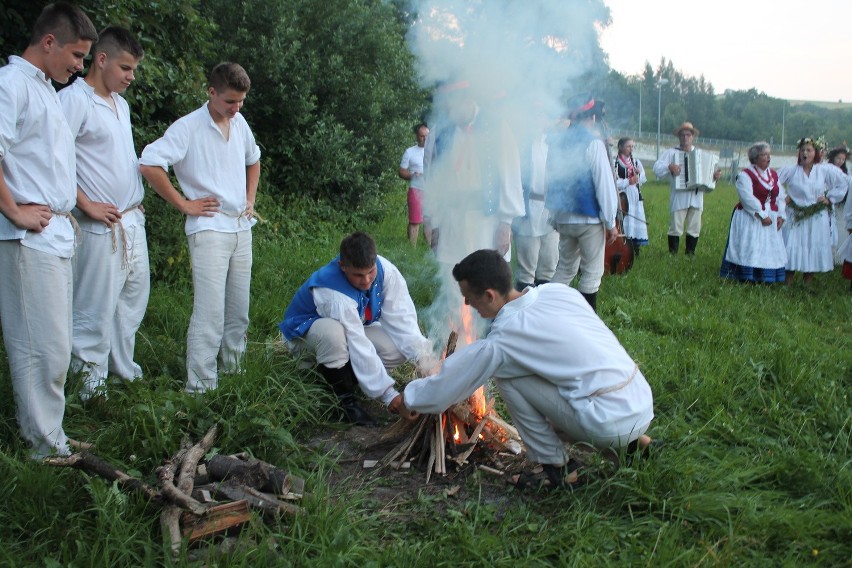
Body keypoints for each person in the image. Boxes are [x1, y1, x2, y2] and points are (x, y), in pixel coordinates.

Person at [391, 249, 655, 490]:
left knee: (506, 373)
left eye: (469, 298)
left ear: (489, 295)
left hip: (606, 421)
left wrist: (410, 397)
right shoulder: (559, 292)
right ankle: (638, 445)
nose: (468, 306)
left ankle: (559, 469)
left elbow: (448, 385)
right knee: (531, 375)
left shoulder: (505, 339)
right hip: (639, 401)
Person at [0, 2, 98, 458]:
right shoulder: (11, 84)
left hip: (57, 233)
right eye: (77, 56)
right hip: (27, 236)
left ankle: (48, 432)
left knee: (56, 346)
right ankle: (43, 447)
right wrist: (13, 211)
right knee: (41, 348)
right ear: (48, 42)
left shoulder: (45, 89)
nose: (81, 67)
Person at [139, 62, 261, 393]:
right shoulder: (188, 127)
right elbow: (150, 163)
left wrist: (250, 199)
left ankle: (233, 375)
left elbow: (254, 159)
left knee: (239, 312)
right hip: (208, 229)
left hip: (240, 227)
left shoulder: (239, 123)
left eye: (241, 102)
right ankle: (200, 387)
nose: (236, 109)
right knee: (210, 313)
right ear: (211, 92)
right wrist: (184, 204)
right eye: (230, 102)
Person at [58, 26, 148, 399]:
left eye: (133, 70)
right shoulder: (74, 100)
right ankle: (89, 388)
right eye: (125, 68)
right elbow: (56, 161)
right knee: (93, 308)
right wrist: (85, 203)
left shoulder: (120, 104)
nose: (130, 77)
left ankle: (122, 370)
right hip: (98, 224)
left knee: (130, 302)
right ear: (102, 59)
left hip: (130, 219)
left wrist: (133, 198)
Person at [279, 232, 435, 426]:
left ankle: (345, 379)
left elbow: (402, 319)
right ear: (342, 266)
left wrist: (426, 361)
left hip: (348, 330)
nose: (367, 280)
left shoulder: (385, 270)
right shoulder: (334, 294)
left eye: (370, 272)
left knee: (394, 348)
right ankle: (345, 403)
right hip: (303, 337)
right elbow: (357, 342)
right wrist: (389, 396)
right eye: (358, 275)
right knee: (332, 333)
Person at [544, 95, 618, 312]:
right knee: (592, 273)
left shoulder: (556, 143)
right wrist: (611, 221)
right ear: (592, 117)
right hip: (588, 219)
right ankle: (587, 323)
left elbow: (551, 179)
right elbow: (604, 185)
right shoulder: (593, 144)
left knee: (565, 269)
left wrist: (554, 214)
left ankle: (549, 312)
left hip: (564, 216)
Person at [777, 137, 848, 285]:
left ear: (815, 153)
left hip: (816, 216)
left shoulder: (823, 170)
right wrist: (785, 197)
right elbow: (773, 181)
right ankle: (788, 281)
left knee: (813, 244)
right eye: (802, 150)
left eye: (808, 150)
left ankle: (807, 283)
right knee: (792, 244)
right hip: (795, 215)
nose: (805, 153)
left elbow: (843, 182)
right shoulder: (791, 170)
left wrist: (829, 198)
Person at [719, 142, 787, 284]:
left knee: (767, 246)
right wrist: (761, 214)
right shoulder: (745, 175)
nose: (768, 158)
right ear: (755, 158)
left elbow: (780, 195)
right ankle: (747, 276)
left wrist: (781, 215)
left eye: (769, 155)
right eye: (764, 155)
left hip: (771, 215)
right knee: (751, 245)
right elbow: (746, 197)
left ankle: (766, 277)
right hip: (750, 216)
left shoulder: (773, 174)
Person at [653, 122, 721, 255]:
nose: (685, 138)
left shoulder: (700, 154)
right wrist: (669, 167)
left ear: (693, 137)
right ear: (679, 137)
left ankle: (690, 253)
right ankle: (673, 254)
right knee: (676, 226)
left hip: (697, 196)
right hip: (679, 195)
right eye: (682, 135)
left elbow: (710, 175)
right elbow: (656, 168)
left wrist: (715, 176)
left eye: (688, 135)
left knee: (694, 226)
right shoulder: (671, 153)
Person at [511, 122, 558, 291]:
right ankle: (525, 310)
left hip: (550, 211)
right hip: (527, 209)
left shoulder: (554, 144)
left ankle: (544, 311)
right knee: (526, 269)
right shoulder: (521, 144)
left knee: (549, 267)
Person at [614, 137, 648, 257]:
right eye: (628, 146)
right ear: (620, 147)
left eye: (633, 146)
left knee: (635, 219)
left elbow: (643, 177)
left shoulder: (636, 162)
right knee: (625, 219)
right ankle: (623, 247)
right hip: (623, 196)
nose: (631, 149)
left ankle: (635, 249)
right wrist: (628, 181)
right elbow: (614, 182)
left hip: (635, 196)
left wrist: (638, 175)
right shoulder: (615, 162)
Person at [399, 123, 430, 245]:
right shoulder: (410, 152)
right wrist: (412, 175)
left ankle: (431, 249)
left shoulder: (434, 150)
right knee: (415, 221)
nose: (425, 139)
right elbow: (401, 172)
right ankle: (412, 250)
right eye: (422, 136)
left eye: (427, 136)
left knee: (429, 220)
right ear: (417, 136)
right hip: (416, 189)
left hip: (431, 189)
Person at [826, 146, 850, 265]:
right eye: (838, 158)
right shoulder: (825, 169)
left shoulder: (845, 173)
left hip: (839, 206)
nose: (840, 161)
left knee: (840, 230)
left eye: (843, 159)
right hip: (828, 204)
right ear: (833, 158)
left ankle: (839, 256)